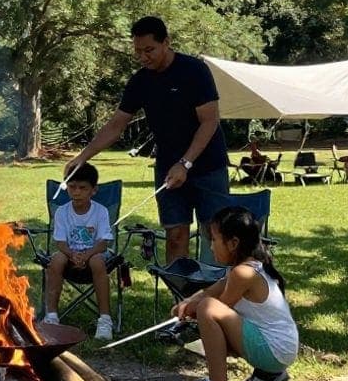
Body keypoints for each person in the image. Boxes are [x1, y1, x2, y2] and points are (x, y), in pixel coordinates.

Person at [66, 16, 229, 265]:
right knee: (175, 236)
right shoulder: (140, 81)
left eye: (149, 50)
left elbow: (209, 121)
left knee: (215, 236)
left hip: (208, 166)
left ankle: (218, 289)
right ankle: (179, 289)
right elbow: (116, 125)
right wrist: (82, 157)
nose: (143, 57)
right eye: (138, 51)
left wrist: (185, 163)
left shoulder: (194, 70)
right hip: (167, 167)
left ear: (166, 42)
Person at [171, 206, 298, 381]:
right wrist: (186, 303)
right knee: (206, 305)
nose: (211, 246)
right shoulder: (247, 267)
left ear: (233, 243)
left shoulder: (243, 273)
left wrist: (196, 308)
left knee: (208, 308)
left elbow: (215, 306)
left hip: (273, 351)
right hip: (281, 350)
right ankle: (268, 375)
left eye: (214, 240)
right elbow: (208, 292)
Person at [41, 163, 115, 340]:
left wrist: (86, 255)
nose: (76, 192)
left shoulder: (101, 211)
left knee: (97, 261)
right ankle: (51, 316)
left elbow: (103, 243)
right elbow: (60, 242)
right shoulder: (62, 212)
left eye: (83, 188)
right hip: (69, 254)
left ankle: (105, 320)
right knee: (56, 260)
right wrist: (72, 255)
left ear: (93, 190)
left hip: (95, 254)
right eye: (72, 187)